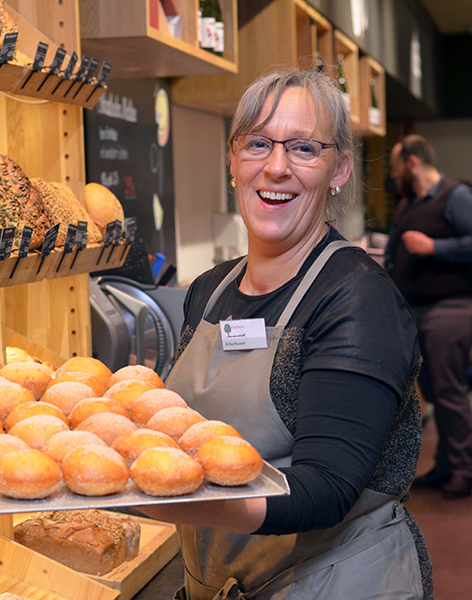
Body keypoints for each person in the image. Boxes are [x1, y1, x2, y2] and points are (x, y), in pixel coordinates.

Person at [138, 68, 431, 599]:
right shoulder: (208, 290)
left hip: (337, 584)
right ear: (233, 159)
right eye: (258, 144)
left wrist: (156, 500)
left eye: (303, 149)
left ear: (339, 168)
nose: (276, 168)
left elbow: (326, 489)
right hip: (218, 580)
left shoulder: (358, 298)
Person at [385, 134, 472, 499]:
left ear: (413, 162)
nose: (393, 173)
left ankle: (464, 470)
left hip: (451, 308)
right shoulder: (408, 204)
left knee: (449, 392)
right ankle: (447, 464)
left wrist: (435, 246)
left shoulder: (455, 197)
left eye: (395, 165)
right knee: (434, 391)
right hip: (417, 311)